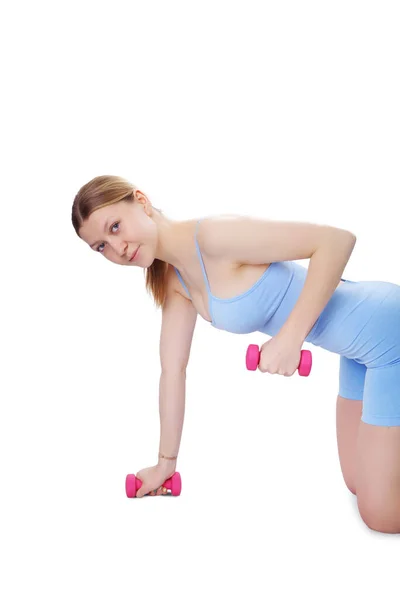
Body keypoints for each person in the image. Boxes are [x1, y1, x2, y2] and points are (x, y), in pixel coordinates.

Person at [72, 175, 400, 533]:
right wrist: (166, 464)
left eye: (115, 226)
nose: (116, 247)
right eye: (101, 246)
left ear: (141, 201)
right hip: (356, 354)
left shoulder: (213, 237)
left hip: (388, 337)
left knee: (380, 516)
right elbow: (173, 371)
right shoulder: (174, 280)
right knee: (357, 484)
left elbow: (337, 241)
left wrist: (291, 339)